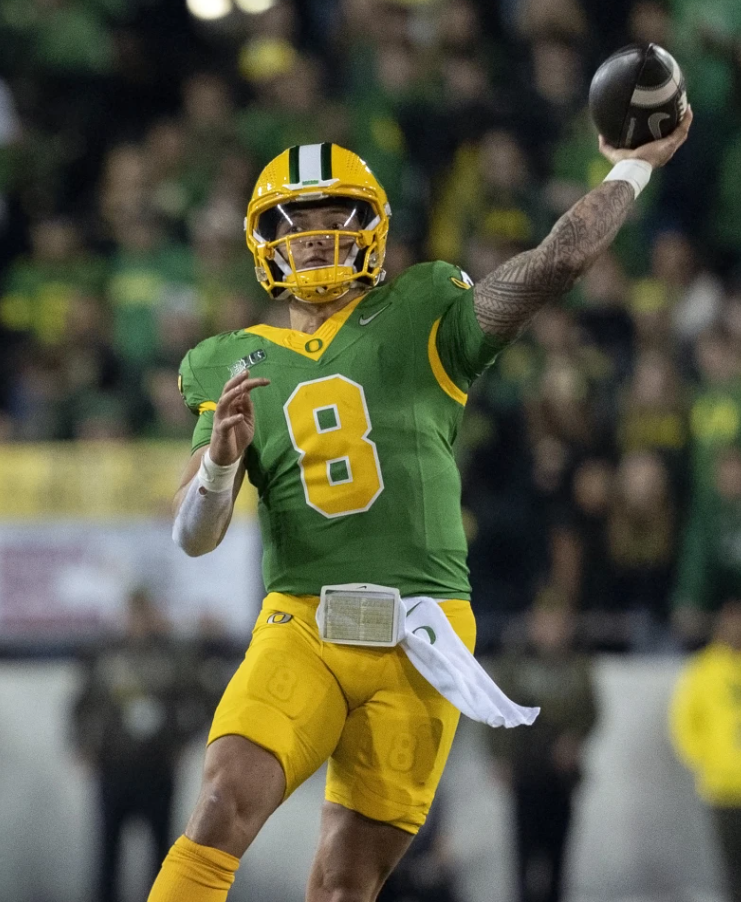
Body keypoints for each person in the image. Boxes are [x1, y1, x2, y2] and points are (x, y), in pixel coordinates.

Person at [150, 113, 692, 902]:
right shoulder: (227, 360)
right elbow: (193, 538)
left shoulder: (423, 309)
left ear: (372, 227)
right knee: (218, 807)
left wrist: (630, 169)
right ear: (261, 238)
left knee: (346, 883)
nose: (313, 235)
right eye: (293, 220)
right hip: (300, 620)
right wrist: (222, 464)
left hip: (420, 631)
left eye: (335, 215)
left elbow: (557, 261)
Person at [72, 590, 214, 902]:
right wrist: (84, 747)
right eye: (133, 614)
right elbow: (81, 705)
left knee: (162, 857)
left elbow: (203, 701)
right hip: (114, 767)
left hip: (157, 767)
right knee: (107, 853)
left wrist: (183, 742)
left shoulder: (173, 657)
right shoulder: (107, 655)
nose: (138, 622)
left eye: (144, 614)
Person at [487, 606, 599, 902]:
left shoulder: (577, 665)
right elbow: (493, 712)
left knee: (557, 859)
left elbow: (591, 712)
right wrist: (498, 757)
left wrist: (575, 739)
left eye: (558, 624)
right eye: (545, 623)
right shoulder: (514, 664)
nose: (551, 632)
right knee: (524, 858)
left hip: (560, 776)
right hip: (525, 772)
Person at [670, 599, 741, 902]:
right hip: (723, 788)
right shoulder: (704, 669)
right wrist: (707, 760)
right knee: (733, 872)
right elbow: (684, 723)